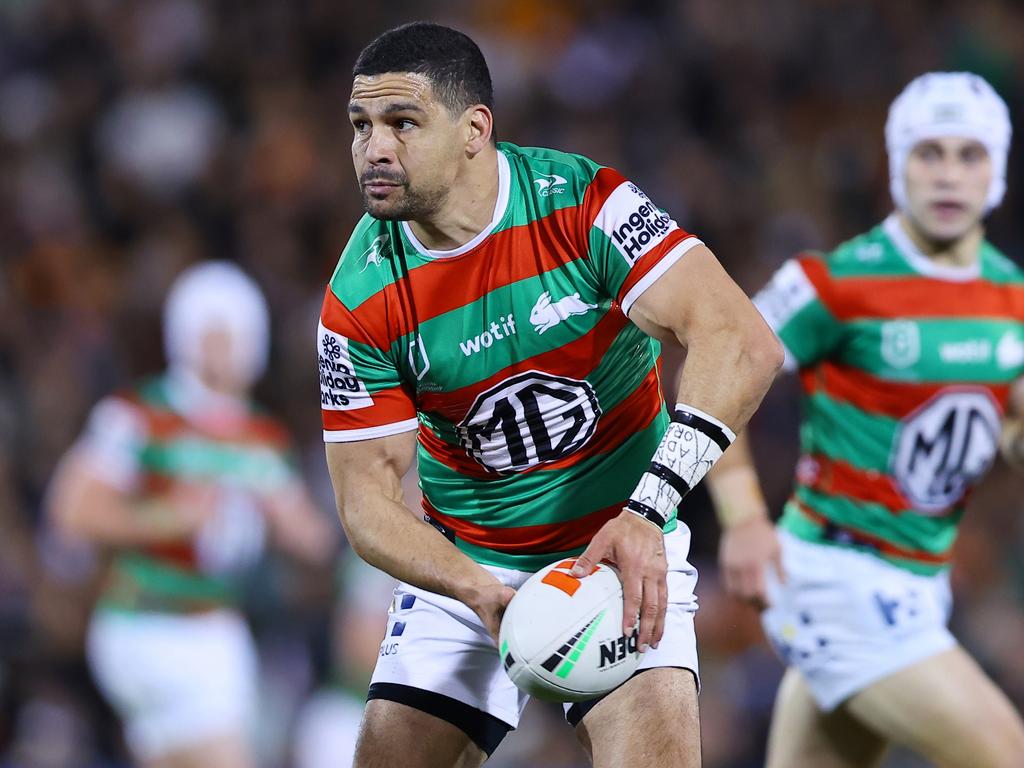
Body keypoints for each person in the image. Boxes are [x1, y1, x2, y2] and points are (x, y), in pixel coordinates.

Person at [319, 21, 782, 768]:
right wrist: (476, 589)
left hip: (621, 543)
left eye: (402, 123)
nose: (375, 148)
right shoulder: (360, 295)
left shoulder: (584, 205)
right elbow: (364, 503)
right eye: (361, 125)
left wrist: (647, 511)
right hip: (469, 561)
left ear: (475, 130)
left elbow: (742, 341)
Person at [707, 71, 1024, 768]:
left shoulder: (1010, 292)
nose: (948, 174)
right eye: (927, 152)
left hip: (920, 580)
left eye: (968, 155)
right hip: (837, 576)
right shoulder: (836, 282)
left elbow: (1007, 424)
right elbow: (716, 364)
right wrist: (745, 517)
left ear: (996, 171)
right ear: (897, 163)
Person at [48, 261, 337, 768]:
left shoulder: (261, 436)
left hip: (216, 627)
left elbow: (313, 541)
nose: (223, 346)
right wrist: (166, 518)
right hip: (150, 622)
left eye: (232, 332)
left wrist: (286, 515)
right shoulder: (140, 413)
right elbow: (71, 510)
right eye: (211, 332)